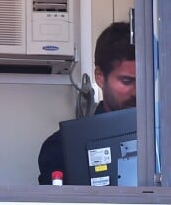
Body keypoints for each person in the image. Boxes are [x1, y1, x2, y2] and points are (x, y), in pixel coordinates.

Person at [38, 22, 136, 185]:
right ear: (100, 76)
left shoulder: (162, 139)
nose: (137, 92)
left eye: (145, 80)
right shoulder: (62, 149)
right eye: (126, 81)